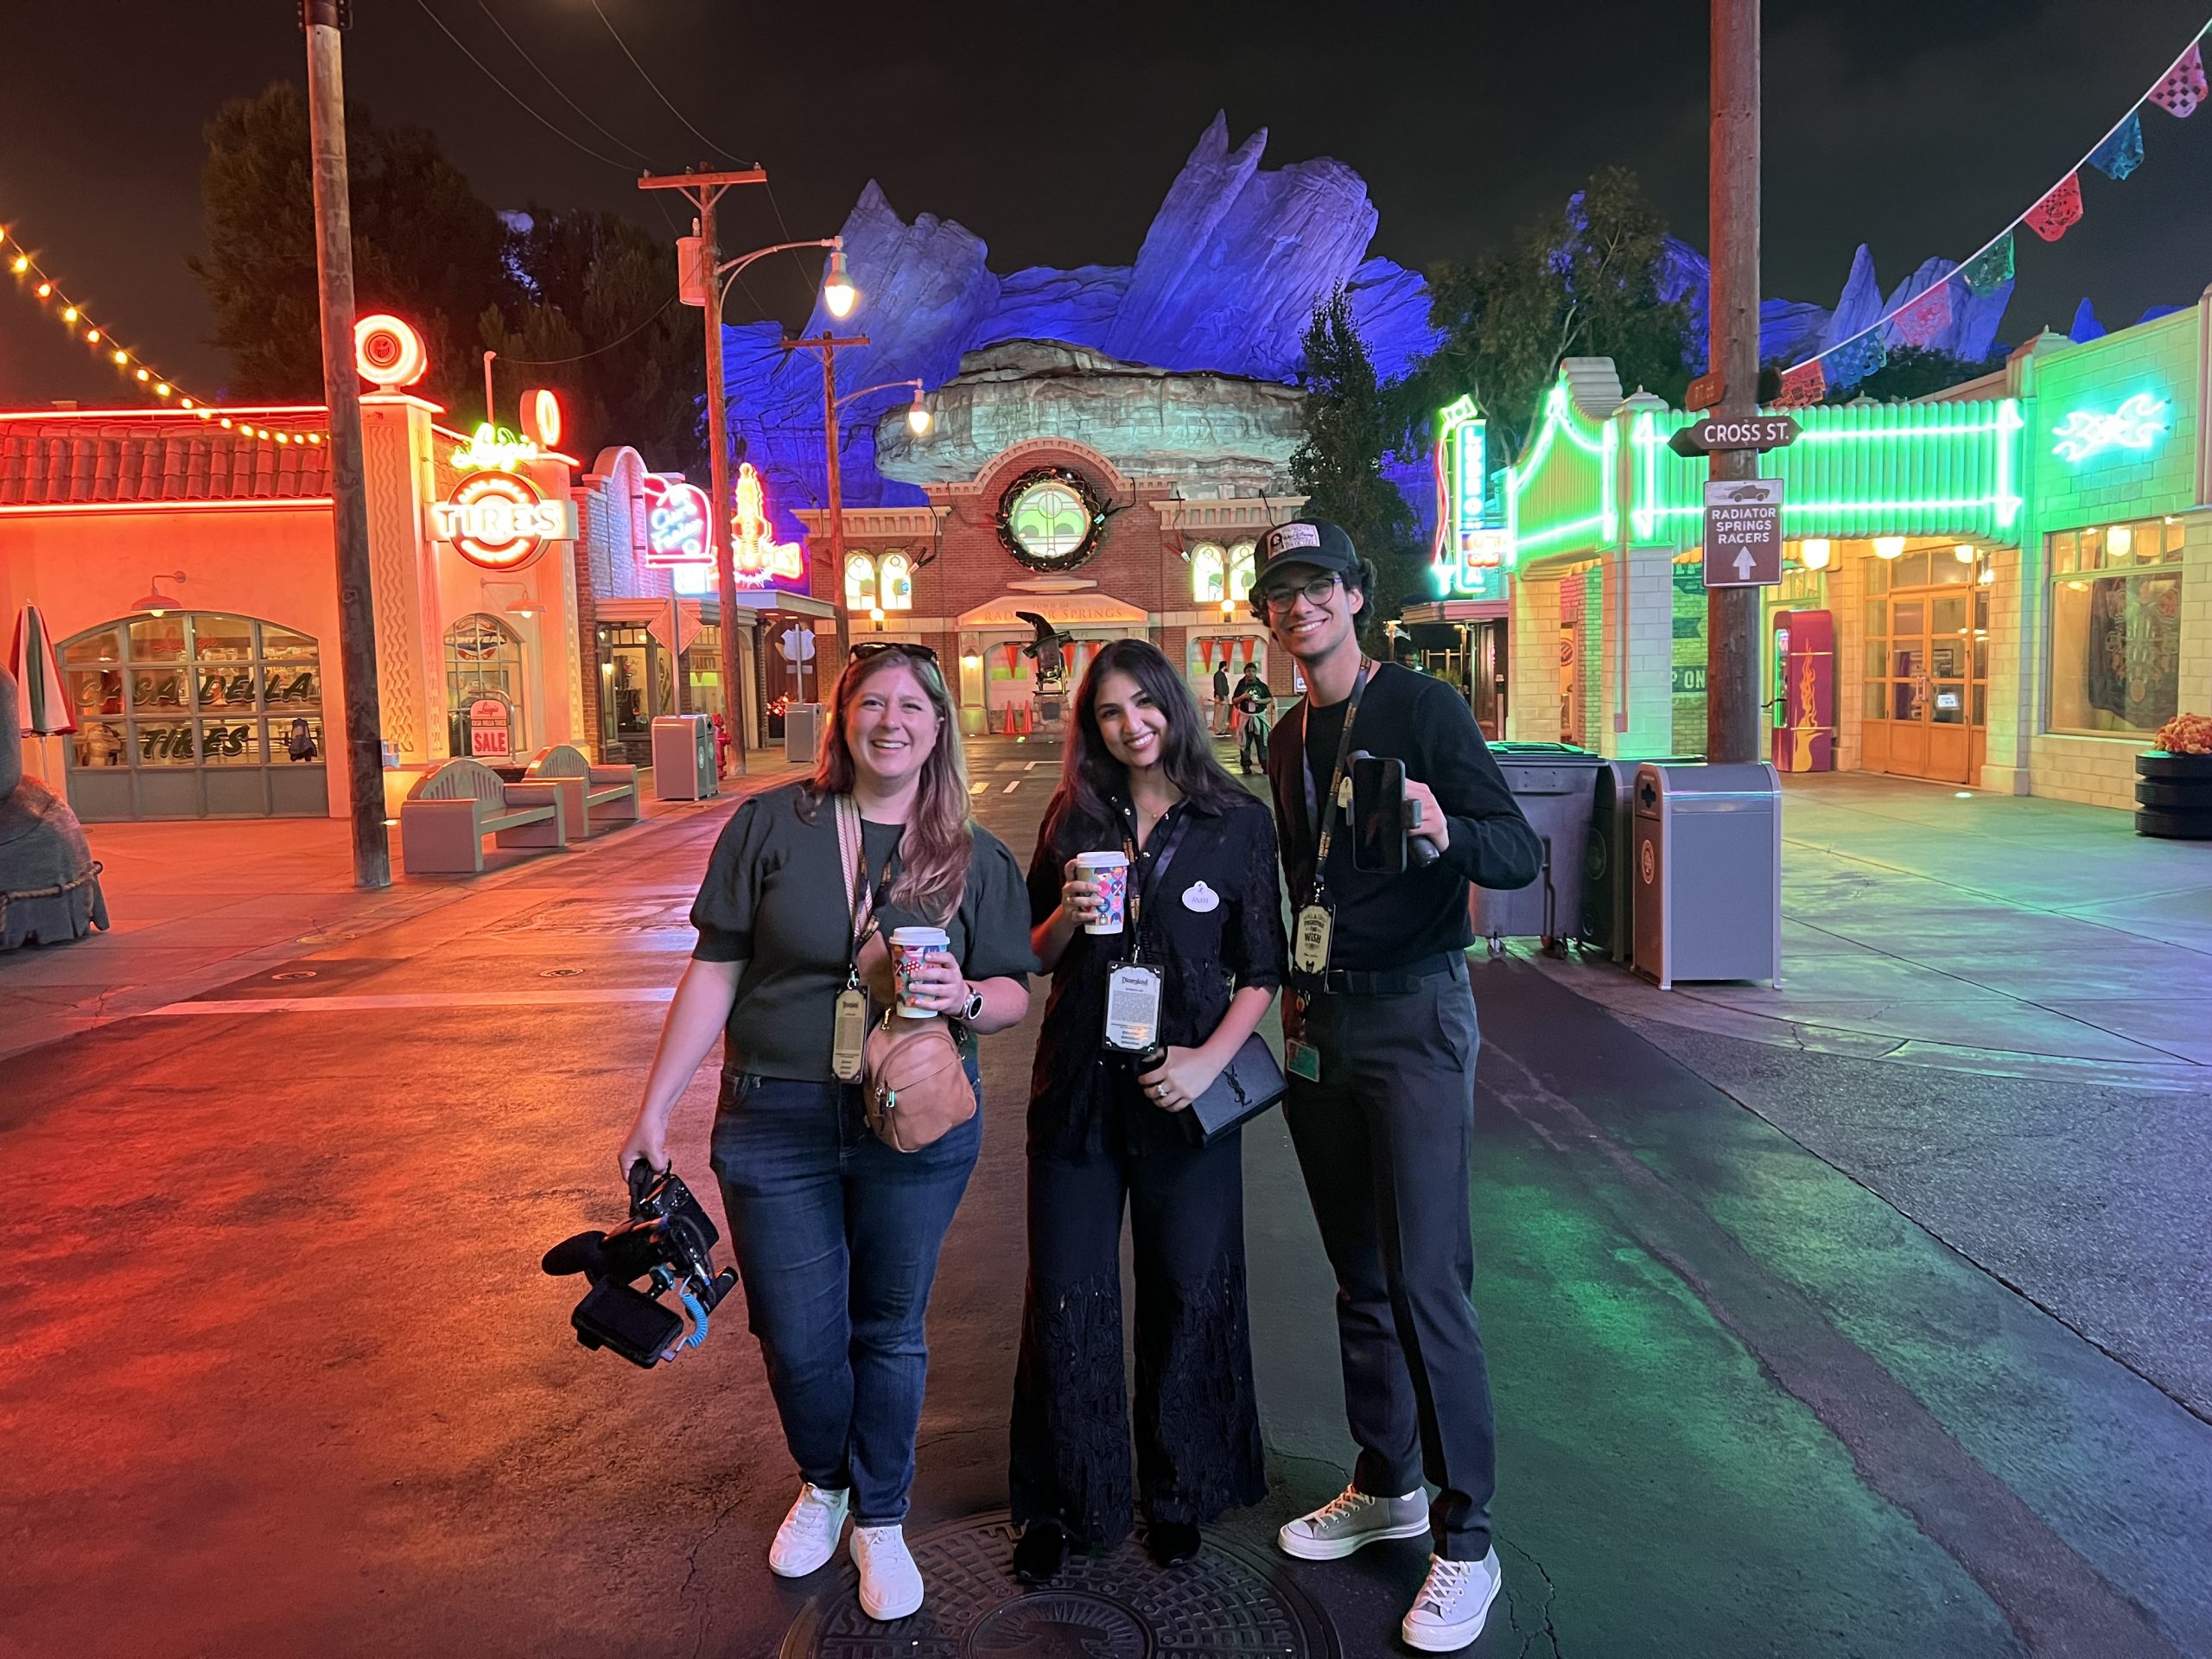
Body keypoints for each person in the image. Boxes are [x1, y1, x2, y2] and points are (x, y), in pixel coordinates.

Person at [617, 642, 1036, 1624]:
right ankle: (825, 1482)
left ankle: (880, 1516)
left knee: (888, 1324)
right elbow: (716, 967)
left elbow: (1014, 990)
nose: (891, 721)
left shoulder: (972, 853)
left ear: (938, 726)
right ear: (843, 718)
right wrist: (654, 1106)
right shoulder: (774, 824)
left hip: (914, 1120)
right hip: (775, 1116)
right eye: (872, 703)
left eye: (912, 706)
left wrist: (966, 996)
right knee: (797, 1333)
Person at [1249, 520, 1541, 1655]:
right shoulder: (1286, 736)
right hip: (1323, 1023)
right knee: (1360, 1278)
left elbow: (1517, 851)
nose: (1300, 606)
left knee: (1426, 1282)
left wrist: (1441, 823)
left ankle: (1469, 1540)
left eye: (1318, 585)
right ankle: (1388, 1485)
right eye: (1281, 592)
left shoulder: (1422, 708)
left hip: (1417, 1015)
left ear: (1355, 597)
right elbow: (1300, 876)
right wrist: (1291, 991)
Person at [1009, 639, 1286, 1583]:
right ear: (1092, 727)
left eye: (1144, 704)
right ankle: (1063, 1500)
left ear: (1174, 703)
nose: (1131, 726)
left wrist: (1208, 1063)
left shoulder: (1236, 821)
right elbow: (1034, 954)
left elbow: (1263, 967)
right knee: (1067, 1292)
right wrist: (1064, 915)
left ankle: (1180, 1490)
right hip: (1078, 1093)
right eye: (1109, 712)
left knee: (1189, 1286)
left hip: (1183, 1097)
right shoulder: (1074, 814)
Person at [1230, 664, 1271, 776]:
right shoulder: (1241, 686)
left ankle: (1266, 765)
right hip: (1246, 718)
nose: (1251, 673)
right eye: (1249, 671)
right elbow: (1234, 701)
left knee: (1262, 743)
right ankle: (1246, 766)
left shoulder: (1262, 685)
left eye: (1253, 671)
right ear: (1245, 673)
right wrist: (1243, 697)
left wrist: (1260, 701)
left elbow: (1269, 698)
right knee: (1245, 742)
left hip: (1258, 717)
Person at [1211, 660, 1232, 736]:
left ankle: (1223, 730)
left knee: (1224, 714)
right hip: (1221, 696)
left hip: (1225, 696)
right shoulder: (1218, 675)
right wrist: (1222, 699)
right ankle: (1217, 730)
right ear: (1224, 666)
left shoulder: (1222, 675)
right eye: (1227, 666)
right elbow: (1218, 687)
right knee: (1219, 714)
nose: (1228, 667)